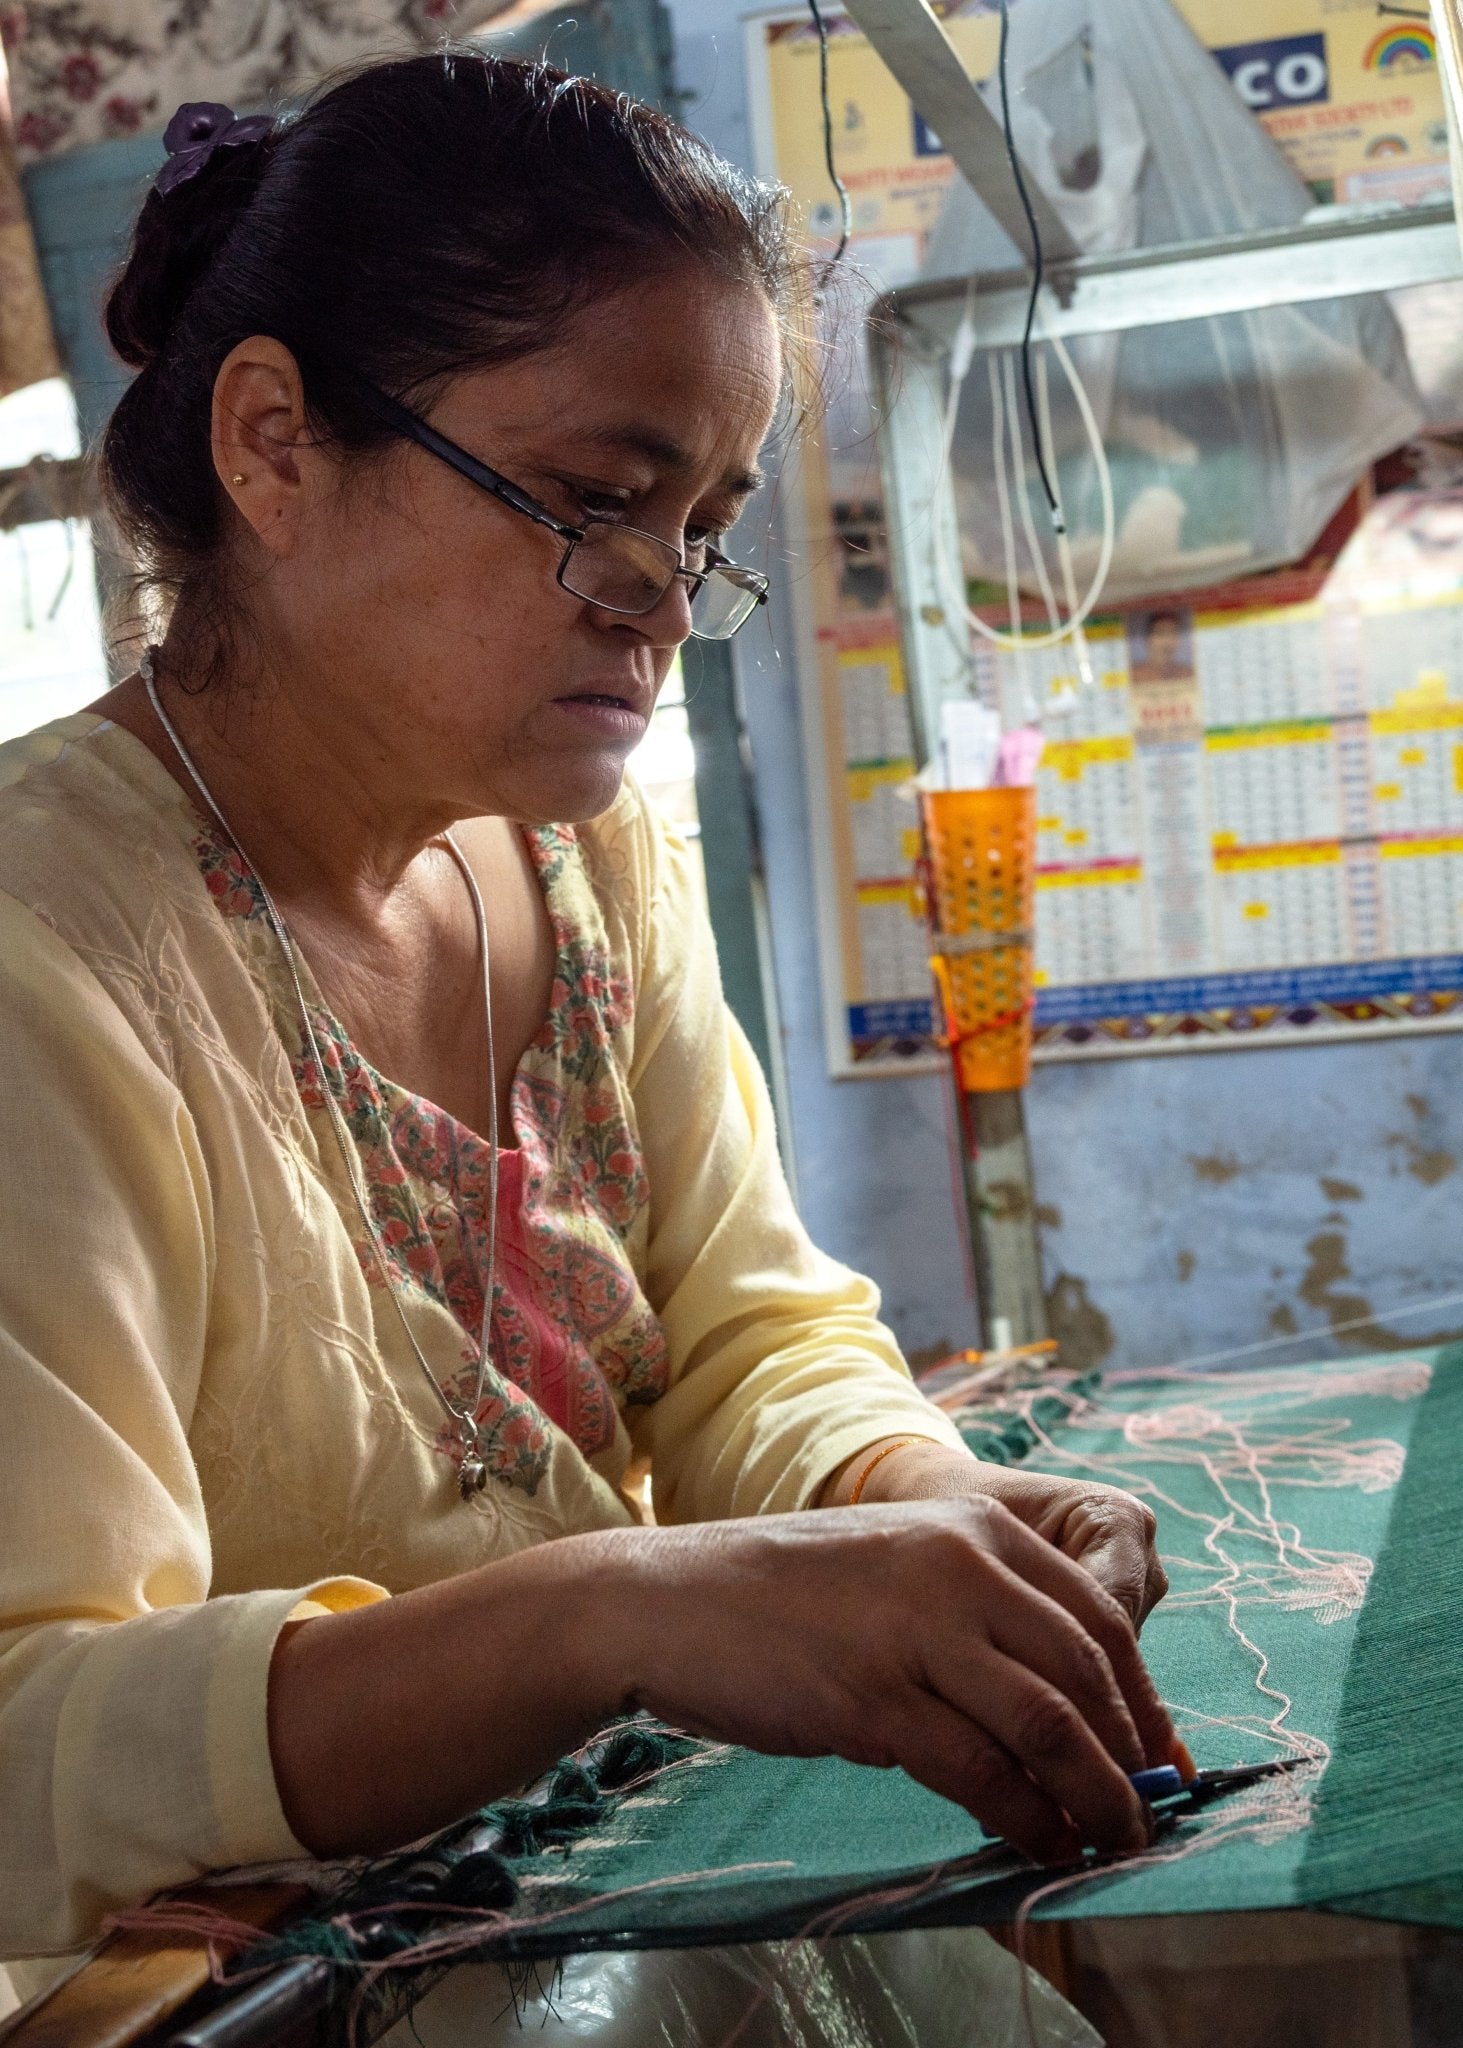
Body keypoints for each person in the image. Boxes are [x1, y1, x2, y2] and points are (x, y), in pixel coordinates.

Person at [0, 52, 1173, 2024]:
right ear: (275, 446)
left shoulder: (586, 862)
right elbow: (26, 1743)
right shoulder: (50, 958)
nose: (656, 608)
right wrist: (615, 1614)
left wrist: (916, 1499)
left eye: (698, 527)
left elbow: (742, 1333)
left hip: (617, 1903)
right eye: (592, 505)